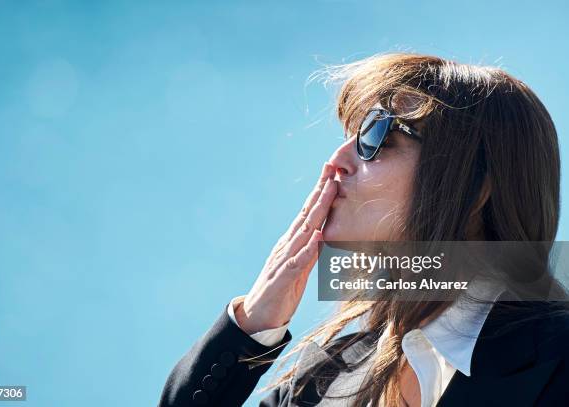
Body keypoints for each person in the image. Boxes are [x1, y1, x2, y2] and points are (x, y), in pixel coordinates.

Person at [159, 52, 569, 406]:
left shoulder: (557, 356)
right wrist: (252, 324)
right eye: (348, 137)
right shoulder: (319, 382)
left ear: (477, 184)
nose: (336, 160)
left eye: (376, 135)